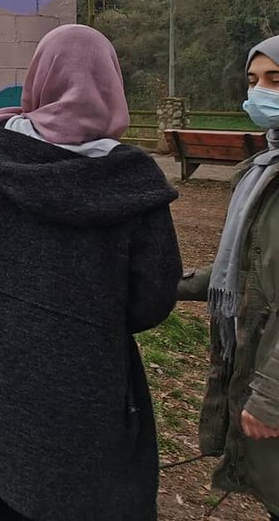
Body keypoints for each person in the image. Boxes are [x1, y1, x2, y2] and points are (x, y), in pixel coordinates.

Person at [0, 24, 181, 520]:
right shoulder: (133, 179)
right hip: (87, 379)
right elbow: (153, 295)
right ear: (111, 82)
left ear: (39, 77)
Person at [177, 35, 279, 520]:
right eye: (253, 81)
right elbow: (241, 272)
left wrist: (272, 398)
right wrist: (160, 283)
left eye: (274, 80)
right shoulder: (262, 169)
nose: (259, 92)